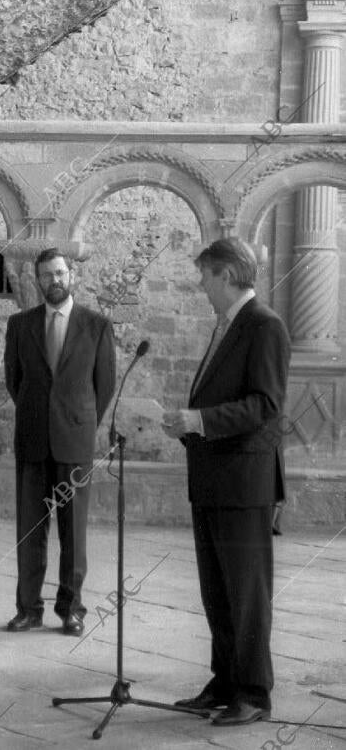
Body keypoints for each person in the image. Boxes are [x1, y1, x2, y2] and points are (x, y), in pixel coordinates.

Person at [162, 238, 291, 727]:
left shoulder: (265, 326)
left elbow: (265, 404)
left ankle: (254, 693)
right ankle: (225, 681)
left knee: (247, 594)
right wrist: (188, 425)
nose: (201, 284)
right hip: (213, 477)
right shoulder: (228, 326)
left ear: (228, 274)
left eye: (205, 275)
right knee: (217, 592)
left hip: (244, 483)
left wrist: (199, 420)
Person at [4, 248, 116, 636]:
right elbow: (14, 381)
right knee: (30, 531)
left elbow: (104, 388)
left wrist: (76, 422)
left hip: (74, 442)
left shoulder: (96, 326)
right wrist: (42, 415)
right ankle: (28, 608)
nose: (55, 279)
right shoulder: (20, 325)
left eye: (60, 272)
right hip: (33, 439)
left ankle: (72, 608)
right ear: (37, 280)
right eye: (47, 274)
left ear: (72, 276)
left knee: (74, 532)